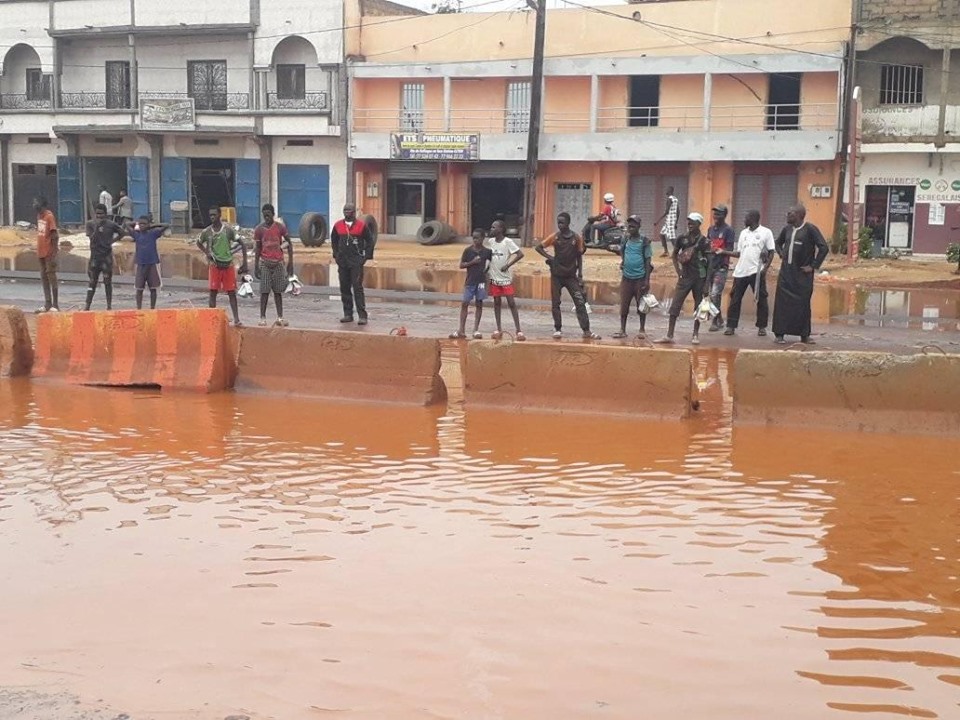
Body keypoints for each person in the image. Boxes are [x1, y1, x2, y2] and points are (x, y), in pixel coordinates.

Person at [536, 212, 600, 340]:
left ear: (568, 223)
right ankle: (558, 329)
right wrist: (550, 258)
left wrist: (580, 275)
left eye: (562, 222)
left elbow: (579, 256)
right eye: (558, 222)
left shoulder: (576, 238)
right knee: (556, 303)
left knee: (580, 302)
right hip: (556, 275)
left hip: (571, 276)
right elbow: (539, 247)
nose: (560, 225)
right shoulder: (555, 237)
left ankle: (586, 330)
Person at [772, 205, 829, 345]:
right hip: (786, 274)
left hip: (802, 275)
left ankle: (804, 335)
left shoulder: (810, 229)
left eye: (790, 213)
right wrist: (781, 253)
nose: (787, 214)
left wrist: (813, 266)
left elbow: (823, 247)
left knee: (802, 305)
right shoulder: (787, 229)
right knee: (782, 304)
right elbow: (777, 243)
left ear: (799, 215)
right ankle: (779, 334)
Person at [654, 212, 711, 345]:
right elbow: (674, 254)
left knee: (698, 307)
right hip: (685, 277)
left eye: (693, 222)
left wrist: (707, 284)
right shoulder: (682, 238)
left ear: (699, 224)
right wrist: (678, 270)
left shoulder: (705, 241)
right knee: (675, 305)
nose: (690, 224)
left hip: (699, 278)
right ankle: (669, 335)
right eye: (689, 221)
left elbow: (710, 263)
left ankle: (695, 334)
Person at [724, 209, 775, 336]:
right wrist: (723, 252)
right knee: (735, 299)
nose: (744, 220)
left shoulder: (766, 232)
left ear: (753, 218)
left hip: (756, 271)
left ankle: (761, 327)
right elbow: (739, 253)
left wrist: (765, 269)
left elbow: (771, 252)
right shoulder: (743, 233)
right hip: (740, 271)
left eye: (746, 217)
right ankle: (731, 326)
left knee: (761, 299)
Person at [197, 206, 247, 326]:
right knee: (213, 292)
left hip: (228, 265)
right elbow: (199, 242)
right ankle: (212, 319)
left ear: (220, 215)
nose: (212, 217)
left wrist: (245, 263)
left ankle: (236, 319)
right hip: (215, 266)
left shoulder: (228, 230)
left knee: (231, 292)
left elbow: (242, 243)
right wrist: (207, 252)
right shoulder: (207, 232)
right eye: (210, 215)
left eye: (214, 215)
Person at [609, 214, 653, 339]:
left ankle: (642, 329)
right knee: (624, 305)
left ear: (639, 226)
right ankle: (622, 329)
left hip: (640, 278)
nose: (631, 228)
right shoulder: (625, 239)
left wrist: (647, 280)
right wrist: (624, 261)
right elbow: (622, 251)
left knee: (641, 306)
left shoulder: (644, 241)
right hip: (626, 278)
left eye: (633, 226)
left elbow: (648, 261)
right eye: (629, 225)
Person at [330, 203, 372, 325]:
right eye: (345, 210)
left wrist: (365, 257)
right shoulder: (338, 225)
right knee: (344, 287)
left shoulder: (361, 226)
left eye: (349, 210)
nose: (347, 212)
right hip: (343, 262)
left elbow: (370, 241)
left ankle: (362, 316)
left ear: (354, 212)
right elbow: (334, 240)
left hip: (356, 262)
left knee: (357, 288)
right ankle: (348, 314)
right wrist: (336, 255)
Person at [484, 219, 525, 341]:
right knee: (497, 302)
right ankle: (499, 328)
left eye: (494, 227)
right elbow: (490, 257)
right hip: (494, 277)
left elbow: (520, 254)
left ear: (501, 229)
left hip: (505, 278)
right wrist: (486, 269)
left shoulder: (508, 242)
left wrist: (508, 265)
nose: (491, 229)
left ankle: (518, 330)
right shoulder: (491, 242)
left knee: (511, 303)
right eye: (491, 227)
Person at [254, 203, 293, 327]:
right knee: (264, 291)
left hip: (278, 263)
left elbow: (289, 243)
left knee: (278, 291)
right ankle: (262, 317)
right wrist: (256, 266)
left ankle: (280, 317)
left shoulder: (280, 227)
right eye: (264, 215)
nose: (266, 218)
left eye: (268, 215)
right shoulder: (259, 229)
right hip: (265, 263)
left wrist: (290, 262)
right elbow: (258, 248)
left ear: (273, 214)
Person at [450, 229, 492, 340]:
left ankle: (476, 330)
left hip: (481, 282)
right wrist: (472, 262)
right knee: (465, 303)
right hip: (470, 281)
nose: (475, 240)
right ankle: (461, 329)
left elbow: (491, 264)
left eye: (477, 238)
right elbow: (461, 265)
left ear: (483, 238)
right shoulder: (468, 251)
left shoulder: (487, 252)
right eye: (473, 238)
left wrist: (488, 280)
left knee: (479, 303)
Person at [84, 203, 125, 311]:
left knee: (107, 282)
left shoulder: (111, 224)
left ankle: (109, 306)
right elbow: (91, 237)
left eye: (101, 214)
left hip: (106, 257)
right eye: (97, 214)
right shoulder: (90, 224)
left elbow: (122, 232)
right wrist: (97, 227)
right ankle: (87, 306)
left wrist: (112, 241)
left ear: (105, 214)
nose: (99, 216)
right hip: (95, 257)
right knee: (92, 281)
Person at [706, 203, 736, 332]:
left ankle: (715, 321)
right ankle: (720, 319)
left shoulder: (728, 230)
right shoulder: (710, 229)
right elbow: (707, 244)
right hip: (710, 266)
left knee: (715, 293)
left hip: (721, 266)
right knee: (712, 295)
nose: (715, 216)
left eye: (718, 214)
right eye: (715, 213)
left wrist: (720, 251)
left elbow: (730, 249)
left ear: (724, 215)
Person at [129, 215, 167, 310]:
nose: (142, 225)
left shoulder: (153, 233)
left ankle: (152, 308)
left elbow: (166, 225)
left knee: (153, 288)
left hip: (152, 263)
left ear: (148, 225)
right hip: (140, 264)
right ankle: (139, 308)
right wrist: (137, 224)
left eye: (144, 224)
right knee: (139, 288)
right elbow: (126, 224)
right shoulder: (136, 234)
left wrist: (152, 226)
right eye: (140, 224)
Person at [34, 196, 59, 313]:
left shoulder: (49, 216)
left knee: (52, 277)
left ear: (42, 204)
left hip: (49, 253)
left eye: (35, 202)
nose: (34, 205)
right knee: (44, 278)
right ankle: (47, 303)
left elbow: (54, 236)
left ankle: (55, 305)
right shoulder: (39, 216)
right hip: (41, 253)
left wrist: (53, 253)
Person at [653, 185, 680, 258]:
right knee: (661, 234)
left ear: (670, 191)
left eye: (667, 190)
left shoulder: (669, 199)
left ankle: (676, 254)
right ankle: (666, 252)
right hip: (671, 220)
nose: (666, 191)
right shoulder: (675, 199)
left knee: (672, 238)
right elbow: (678, 211)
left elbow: (666, 212)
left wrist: (657, 221)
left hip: (670, 221)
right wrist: (676, 222)